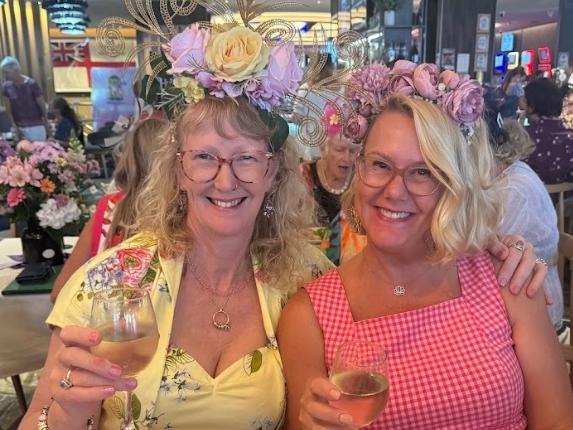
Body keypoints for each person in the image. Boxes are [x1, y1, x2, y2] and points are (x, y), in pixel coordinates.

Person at [21, 16, 542, 429]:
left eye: (246, 158)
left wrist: (488, 242)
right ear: (177, 169)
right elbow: (43, 417)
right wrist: (64, 413)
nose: (225, 180)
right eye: (205, 158)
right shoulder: (110, 285)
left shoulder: (305, 283)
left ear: (274, 173)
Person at [279, 61, 572, 430]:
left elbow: (558, 420)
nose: (394, 191)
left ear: (452, 185)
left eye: (423, 172)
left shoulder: (507, 280)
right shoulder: (308, 317)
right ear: (359, 168)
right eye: (381, 165)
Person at [50, 118, 167, 303]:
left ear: (128, 157)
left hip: (107, 326)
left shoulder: (108, 208)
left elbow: (59, 293)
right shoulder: (188, 212)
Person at [486, 110, 565, 338]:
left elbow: (485, 260)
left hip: (539, 315)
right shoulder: (509, 172)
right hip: (522, 297)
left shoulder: (513, 188)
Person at [301, 102, 362, 263]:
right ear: (324, 148)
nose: (347, 158)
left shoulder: (362, 182)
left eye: (353, 151)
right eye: (340, 150)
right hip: (306, 264)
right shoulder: (301, 176)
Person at [524, 78, 573, 185]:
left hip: (534, 199)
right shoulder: (570, 136)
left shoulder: (526, 139)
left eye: (524, 100)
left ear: (531, 106)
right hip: (566, 200)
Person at [0, 56, 48, 141]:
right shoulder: (6, 87)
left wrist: (46, 123)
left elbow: (42, 105)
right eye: (4, 73)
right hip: (19, 126)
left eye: (7, 72)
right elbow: (8, 109)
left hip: (36, 125)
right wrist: (14, 126)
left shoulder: (31, 84)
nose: (5, 75)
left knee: (39, 151)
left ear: (16, 70)